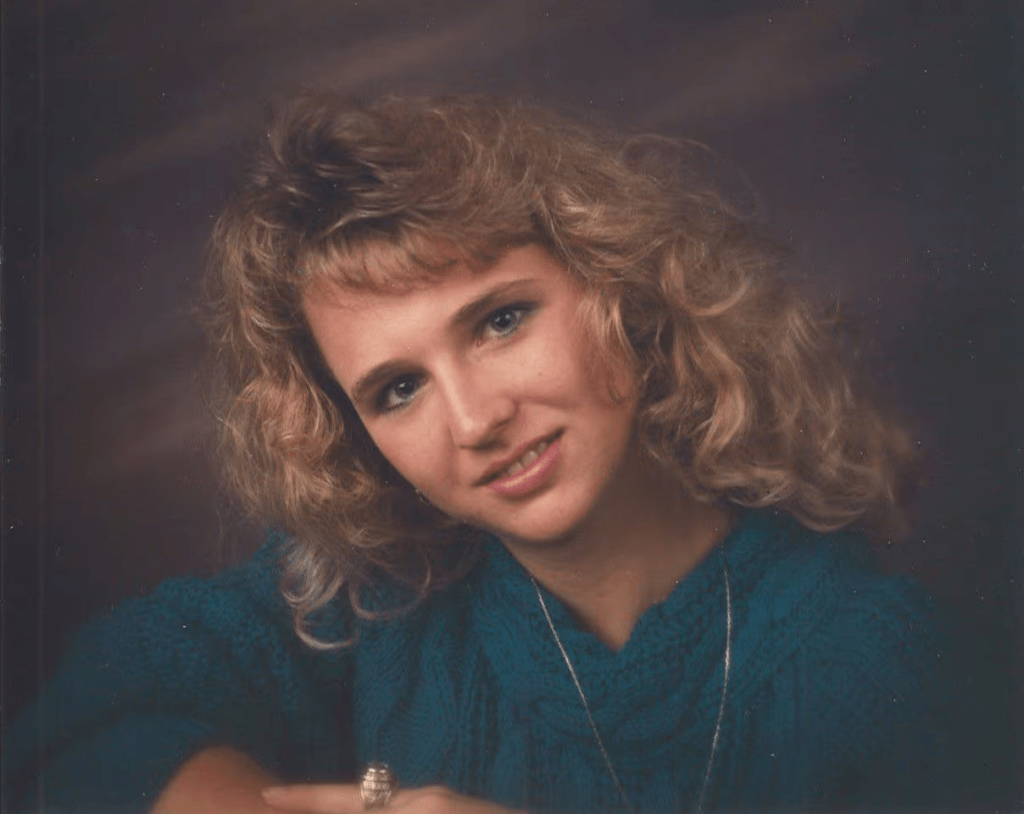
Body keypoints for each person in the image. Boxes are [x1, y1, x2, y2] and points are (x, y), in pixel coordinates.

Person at [6, 94, 971, 813]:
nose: (474, 420)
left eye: (500, 321)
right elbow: (80, 727)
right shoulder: (362, 608)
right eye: (398, 389)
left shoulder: (879, 657)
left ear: (620, 284)